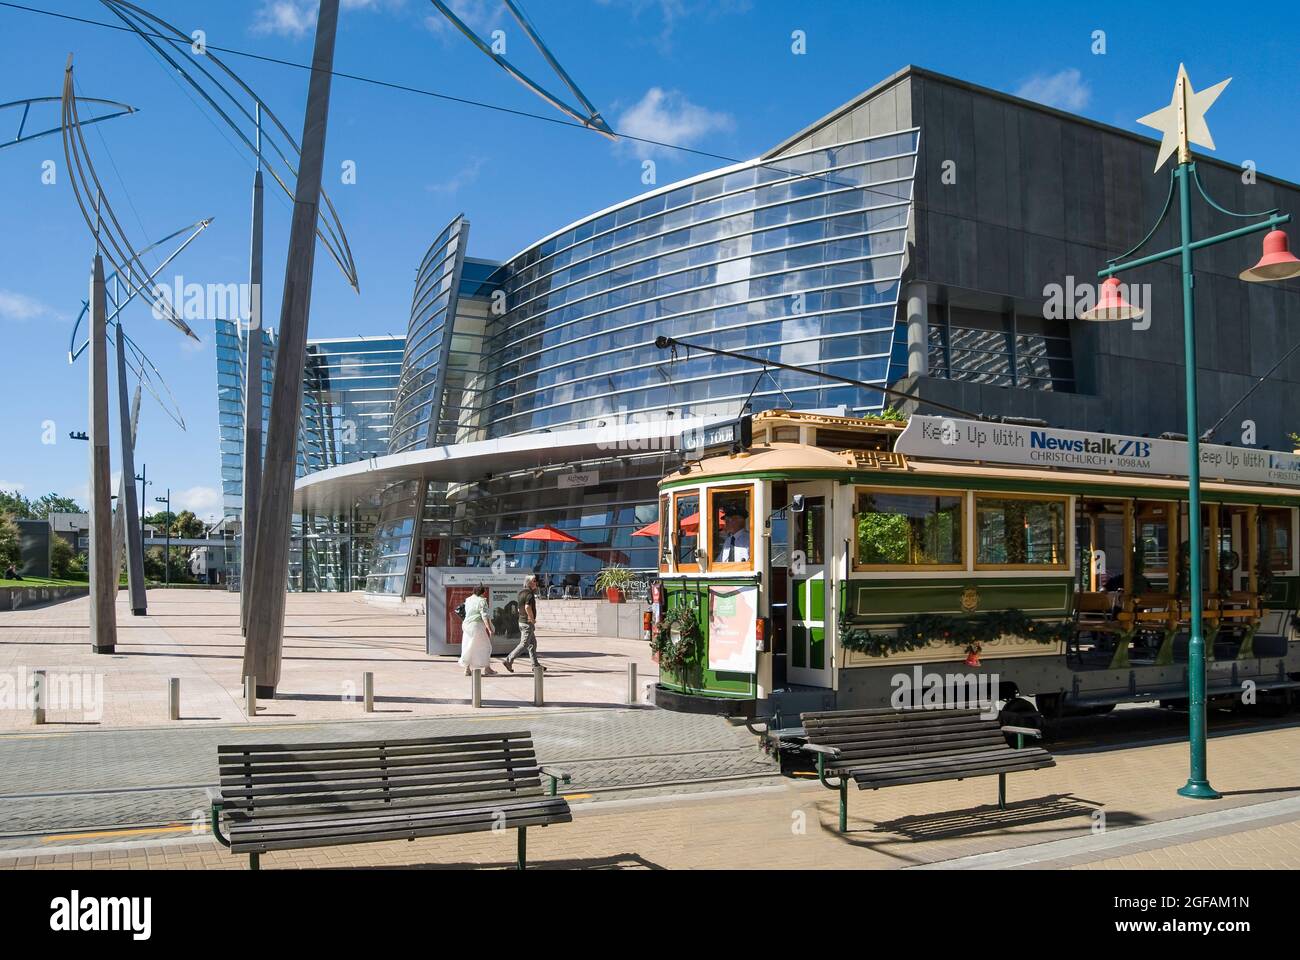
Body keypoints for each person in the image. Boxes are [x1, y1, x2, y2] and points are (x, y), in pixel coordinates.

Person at [504, 574, 542, 672]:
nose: (536, 584)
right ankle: (509, 660)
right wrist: (531, 618)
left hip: (521, 621)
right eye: (535, 582)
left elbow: (518, 608)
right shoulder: (529, 594)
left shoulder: (521, 593)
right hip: (527, 623)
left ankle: (535, 665)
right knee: (524, 644)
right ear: (531, 582)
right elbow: (527, 607)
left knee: (532, 644)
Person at [458, 585, 496, 676]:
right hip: (476, 626)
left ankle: (467, 669)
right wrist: (489, 629)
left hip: (466, 625)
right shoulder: (482, 601)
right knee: (486, 646)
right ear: (483, 592)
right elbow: (484, 616)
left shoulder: (468, 599)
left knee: (468, 646)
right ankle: (487, 669)